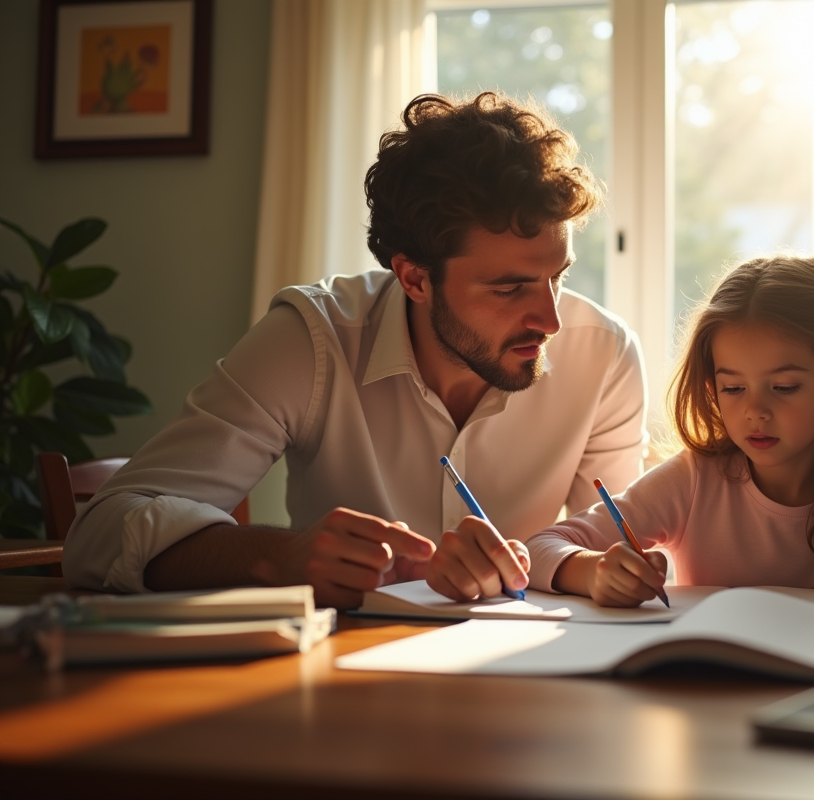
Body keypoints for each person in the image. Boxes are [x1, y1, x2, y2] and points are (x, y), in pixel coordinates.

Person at [62, 92, 648, 609]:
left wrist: (589, 569)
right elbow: (98, 534)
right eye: (509, 288)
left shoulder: (605, 356)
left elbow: (613, 551)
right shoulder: (312, 339)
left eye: (558, 277)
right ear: (414, 279)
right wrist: (281, 558)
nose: (550, 318)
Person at [435, 255, 814, 607]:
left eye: (784, 388)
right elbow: (542, 547)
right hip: (714, 699)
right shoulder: (695, 480)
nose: (755, 412)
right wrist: (594, 571)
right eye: (732, 388)